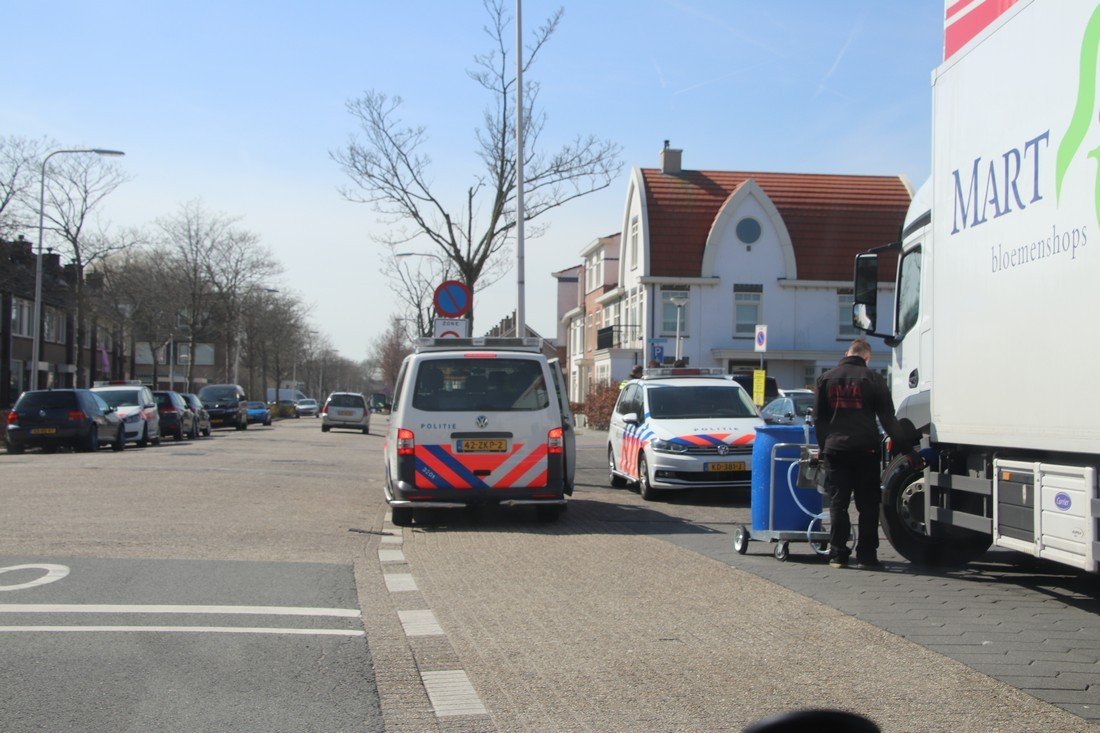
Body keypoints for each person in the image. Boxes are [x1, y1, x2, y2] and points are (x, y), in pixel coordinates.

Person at [813, 338, 910, 570]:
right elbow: (888, 419)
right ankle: (867, 556)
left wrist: (824, 448)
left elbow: (819, 420)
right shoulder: (873, 379)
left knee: (838, 503)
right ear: (867, 357)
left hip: (836, 451)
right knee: (868, 506)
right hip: (866, 451)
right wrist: (907, 450)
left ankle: (838, 555)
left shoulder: (826, 379)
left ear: (847, 353)